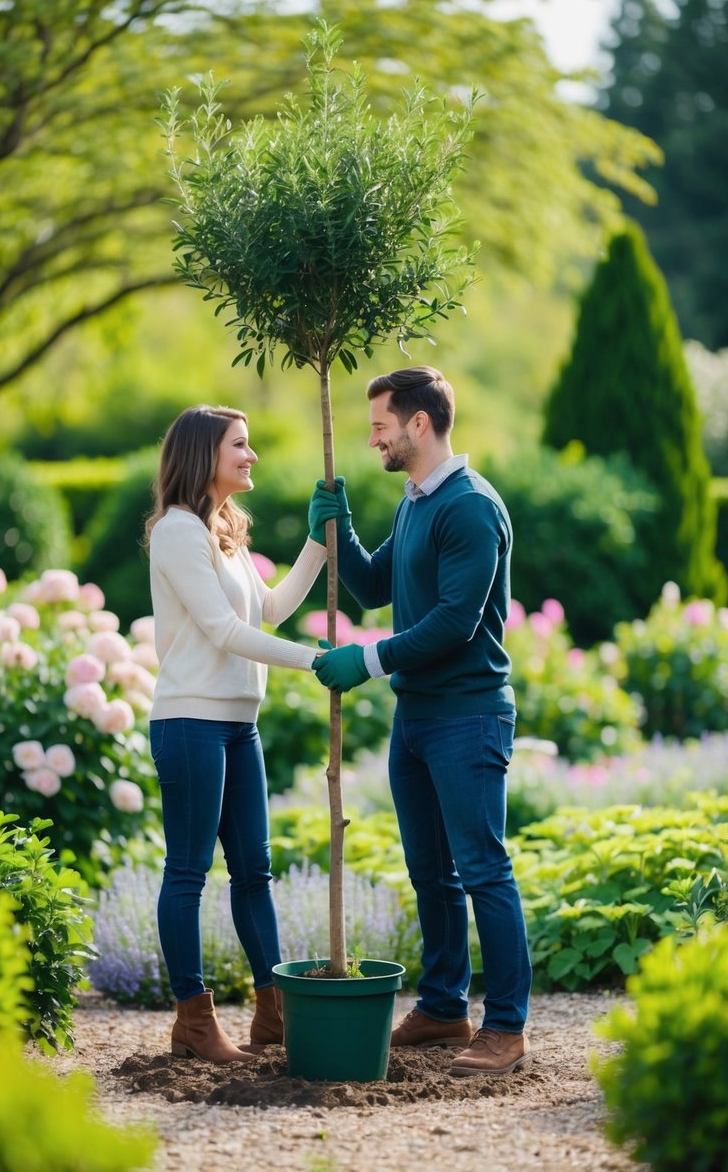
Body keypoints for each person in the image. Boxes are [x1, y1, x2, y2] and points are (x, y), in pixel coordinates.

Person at [309, 366, 532, 1077]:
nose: (371, 437)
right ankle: (441, 1008)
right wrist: (335, 531)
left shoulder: (468, 507)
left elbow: (454, 624)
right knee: (430, 873)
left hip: (467, 717)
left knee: (483, 871)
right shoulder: (414, 500)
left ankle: (505, 1028)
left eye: (379, 425)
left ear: (418, 424)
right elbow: (377, 589)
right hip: (417, 719)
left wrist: (367, 662)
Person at [146, 404, 330, 1064]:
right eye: (239, 446)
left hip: (237, 726)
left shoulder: (224, 533)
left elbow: (271, 609)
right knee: (189, 872)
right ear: (204, 454)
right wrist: (316, 661)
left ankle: (271, 1015)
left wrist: (319, 539)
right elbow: (224, 633)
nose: (251, 456)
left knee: (255, 871)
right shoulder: (176, 531)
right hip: (189, 722)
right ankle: (193, 1021)